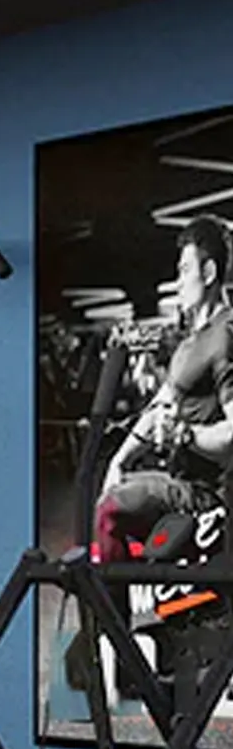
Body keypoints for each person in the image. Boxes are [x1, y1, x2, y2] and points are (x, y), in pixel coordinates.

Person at [90, 215, 233, 568]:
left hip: (207, 495)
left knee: (110, 511)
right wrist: (119, 460)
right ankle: (135, 598)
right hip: (180, 478)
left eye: (185, 270)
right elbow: (159, 406)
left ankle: (111, 607)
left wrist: (184, 434)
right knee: (106, 494)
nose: (178, 282)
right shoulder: (191, 344)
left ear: (209, 273)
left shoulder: (225, 336)